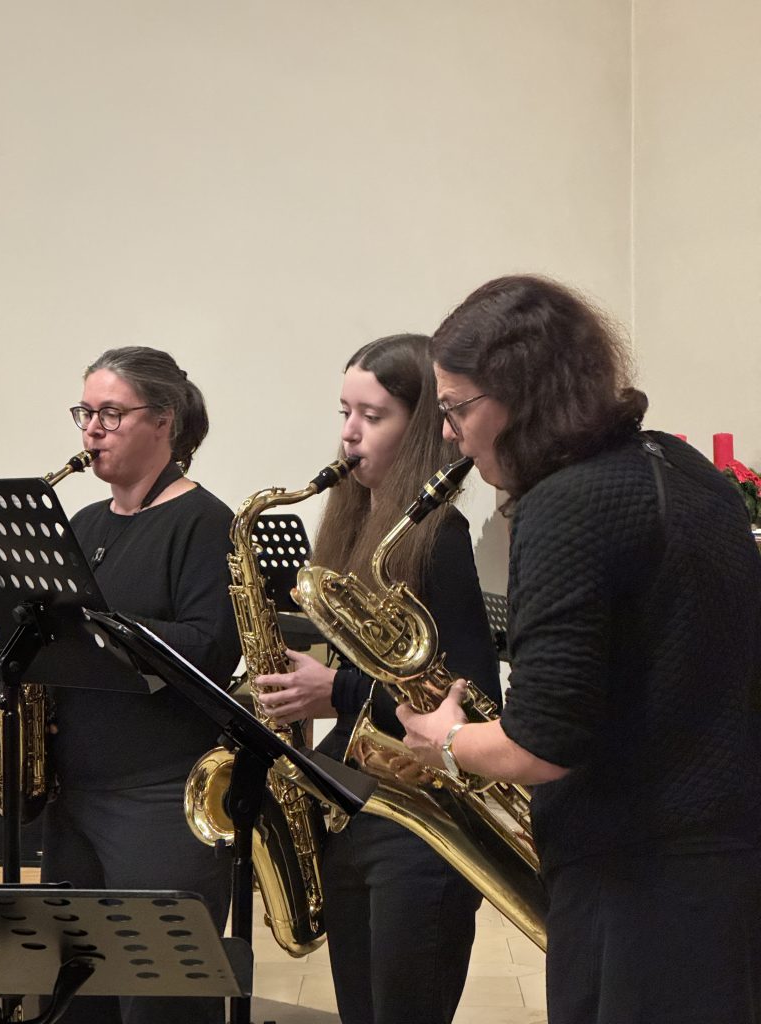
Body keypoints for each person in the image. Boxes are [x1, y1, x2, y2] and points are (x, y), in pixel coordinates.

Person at [397, 275, 761, 1024]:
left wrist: (446, 741)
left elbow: (543, 744)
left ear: (520, 398)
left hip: (637, 880)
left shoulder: (566, 503)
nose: (449, 432)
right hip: (727, 859)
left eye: (457, 407)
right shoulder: (684, 466)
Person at [255, 333, 501, 1024]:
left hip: (420, 828)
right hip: (358, 808)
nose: (349, 433)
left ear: (420, 427)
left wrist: (335, 692)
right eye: (345, 412)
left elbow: (469, 692)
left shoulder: (439, 535)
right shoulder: (356, 522)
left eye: (373, 415)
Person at [40, 346, 241, 1024]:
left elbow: (210, 648)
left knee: (161, 1004)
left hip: (160, 800)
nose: (92, 430)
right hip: (75, 797)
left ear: (163, 421)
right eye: (85, 413)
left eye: (111, 414)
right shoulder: (85, 524)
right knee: (75, 1003)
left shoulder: (206, 523)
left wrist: (101, 629)